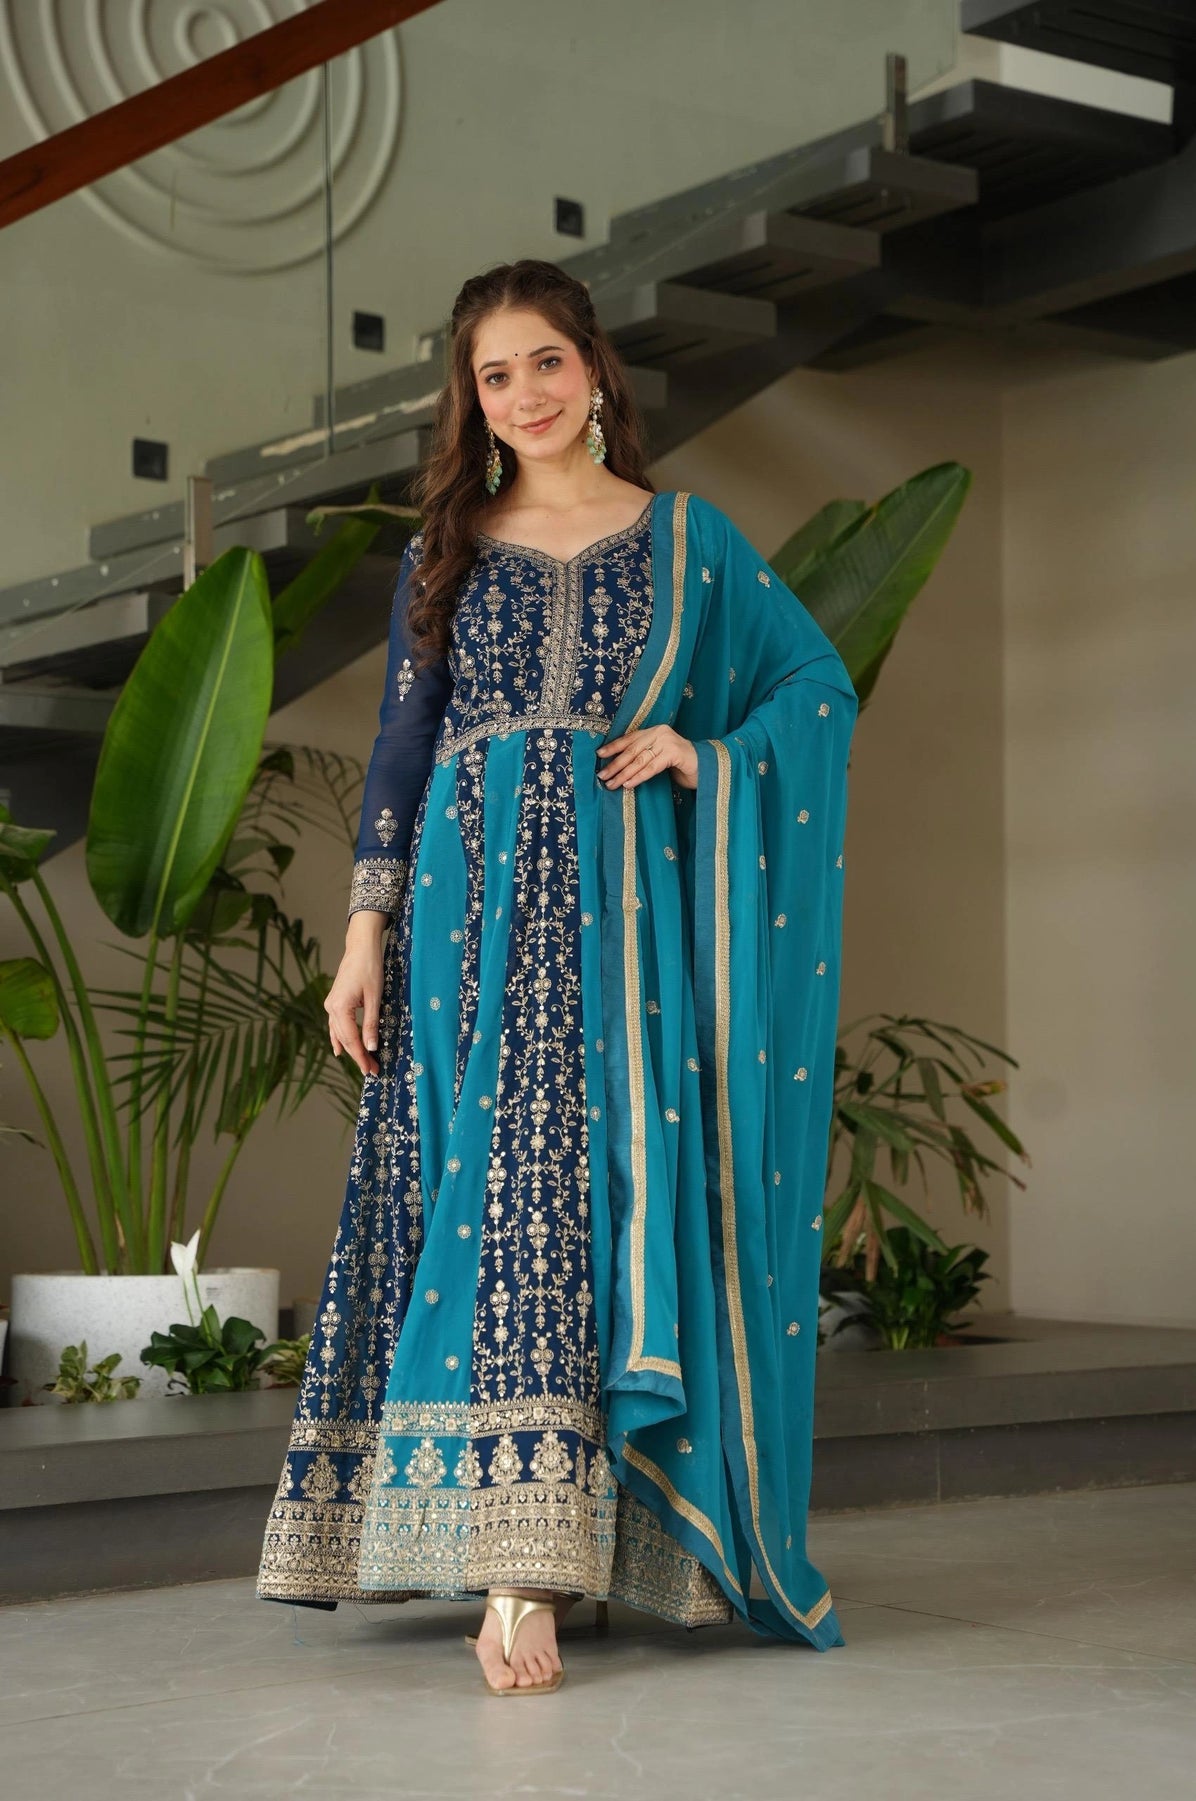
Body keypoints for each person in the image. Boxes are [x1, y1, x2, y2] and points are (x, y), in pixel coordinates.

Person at [257, 257, 857, 1695]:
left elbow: (813, 687)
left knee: (572, 1200)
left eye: (543, 362)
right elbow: (403, 754)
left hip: (619, 928)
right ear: (472, 399)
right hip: (466, 919)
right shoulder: (445, 547)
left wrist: (706, 757)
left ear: (595, 368)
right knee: (487, 1193)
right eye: (492, 374)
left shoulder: (688, 542)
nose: (521, 394)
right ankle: (518, 1542)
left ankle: (528, 1573)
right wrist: (362, 933)